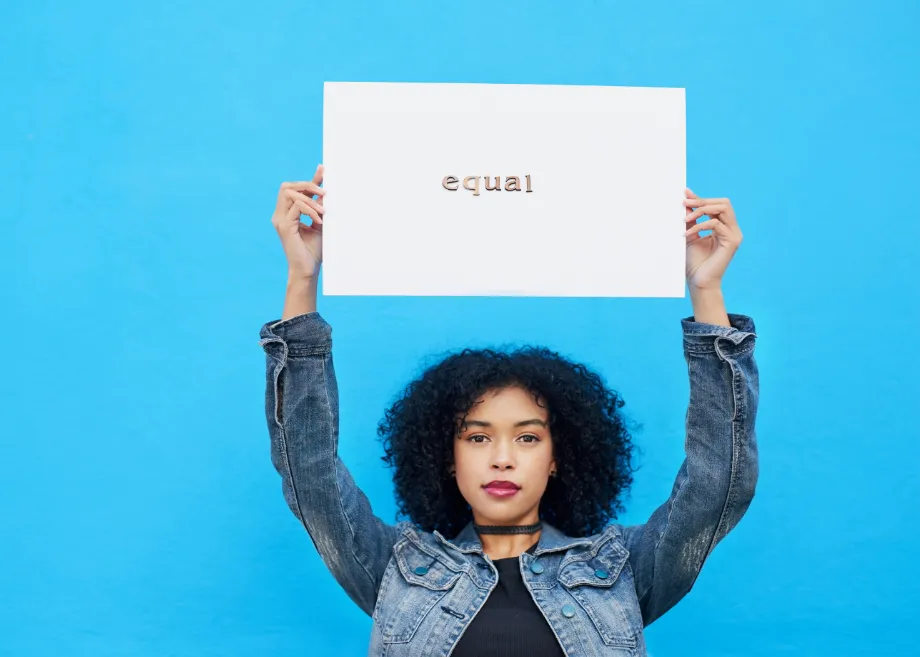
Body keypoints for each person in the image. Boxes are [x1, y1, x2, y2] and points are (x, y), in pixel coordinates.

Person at [259, 164, 759, 656]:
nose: (502, 458)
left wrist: (706, 290)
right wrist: (302, 278)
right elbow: (310, 471)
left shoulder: (621, 569)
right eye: (478, 437)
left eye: (527, 437)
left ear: (558, 457)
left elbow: (716, 484)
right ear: (448, 457)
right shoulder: (395, 568)